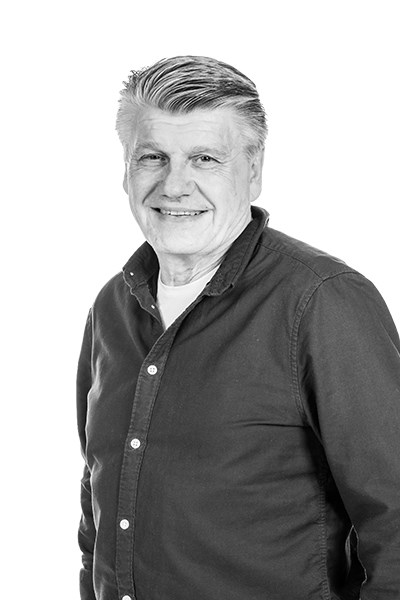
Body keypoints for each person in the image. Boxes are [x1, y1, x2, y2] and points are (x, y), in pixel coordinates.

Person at [76, 55, 400, 600]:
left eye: (204, 159)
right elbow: (97, 499)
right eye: (152, 157)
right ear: (126, 169)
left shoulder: (322, 301)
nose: (174, 185)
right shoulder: (112, 305)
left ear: (253, 171)